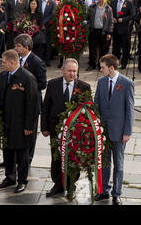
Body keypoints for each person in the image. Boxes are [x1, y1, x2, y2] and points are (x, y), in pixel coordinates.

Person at [41, 58, 91, 197]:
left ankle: (71, 184)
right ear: (62, 70)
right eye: (69, 71)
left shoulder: (84, 86)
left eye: (74, 71)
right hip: (55, 128)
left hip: (75, 131)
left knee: (73, 157)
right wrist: (44, 127)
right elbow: (45, 107)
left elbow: (88, 111)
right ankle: (57, 184)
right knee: (56, 157)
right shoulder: (52, 84)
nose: (72, 74)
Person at [0, 49, 38, 193]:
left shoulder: (27, 78)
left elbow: (33, 104)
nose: (2, 64)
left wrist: (29, 126)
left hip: (21, 124)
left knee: (22, 155)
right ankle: (9, 177)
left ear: (12, 62)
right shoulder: (3, 75)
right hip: (6, 122)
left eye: (4, 62)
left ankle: (22, 180)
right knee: (8, 151)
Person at [94, 54, 134, 205]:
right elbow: (96, 104)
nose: (100, 69)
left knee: (118, 163)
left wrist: (127, 132)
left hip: (119, 131)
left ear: (111, 68)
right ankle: (104, 191)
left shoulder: (127, 83)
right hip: (104, 131)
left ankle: (117, 193)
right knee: (104, 163)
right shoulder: (101, 82)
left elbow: (130, 109)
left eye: (102, 67)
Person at [14, 34, 47, 165]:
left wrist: (26, 87)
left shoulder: (37, 62)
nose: (15, 49)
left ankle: (27, 159)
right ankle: (17, 158)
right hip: (18, 103)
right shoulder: (17, 59)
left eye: (18, 46)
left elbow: (43, 83)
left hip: (32, 103)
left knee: (30, 134)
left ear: (26, 47)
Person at [86, 0, 114, 71]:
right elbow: (87, 17)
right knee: (92, 49)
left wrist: (109, 33)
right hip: (93, 30)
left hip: (103, 31)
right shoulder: (92, 7)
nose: (100, 0)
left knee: (103, 50)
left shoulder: (108, 8)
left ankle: (101, 66)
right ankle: (92, 64)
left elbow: (111, 21)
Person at [110, 0, 135, 70]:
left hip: (125, 29)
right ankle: (115, 63)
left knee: (125, 47)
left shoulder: (129, 3)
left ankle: (124, 63)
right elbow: (110, 13)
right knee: (115, 47)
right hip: (116, 29)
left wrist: (123, 19)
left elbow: (132, 15)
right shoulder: (113, 2)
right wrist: (112, 18)